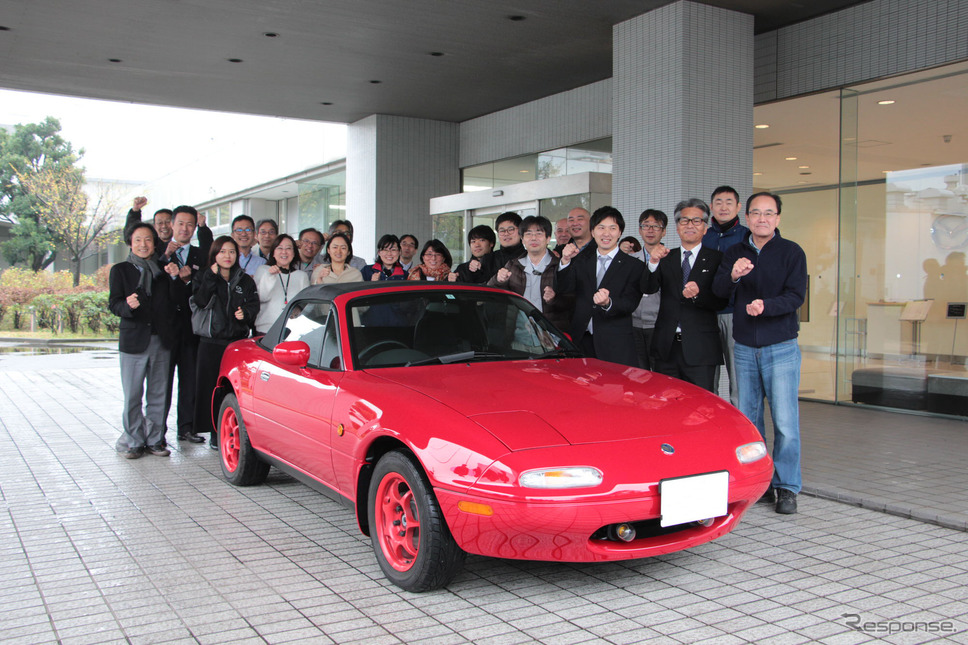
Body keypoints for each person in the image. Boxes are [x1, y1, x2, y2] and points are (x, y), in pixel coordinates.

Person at [713, 192, 807, 515]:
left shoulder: (792, 252)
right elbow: (718, 292)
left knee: (784, 421)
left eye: (769, 213)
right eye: (756, 213)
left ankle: (787, 486)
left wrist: (767, 307)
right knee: (749, 421)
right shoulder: (735, 251)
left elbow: (796, 296)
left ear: (778, 218)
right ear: (748, 217)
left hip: (780, 346)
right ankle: (759, 484)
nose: (762, 218)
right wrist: (733, 275)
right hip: (743, 347)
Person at [109, 222, 183, 459]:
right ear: (131, 242)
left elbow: (178, 301)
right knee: (132, 394)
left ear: (155, 243)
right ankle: (133, 440)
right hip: (133, 341)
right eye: (138, 239)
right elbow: (114, 304)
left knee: (158, 393)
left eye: (148, 239)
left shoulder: (165, 269)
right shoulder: (120, 270)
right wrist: (127, 306)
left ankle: (155, 439)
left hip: (161, 340)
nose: (143, 244)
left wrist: (175, 279)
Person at [642, 199, 727, 392]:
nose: (690, 225)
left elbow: (722, 300)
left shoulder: (717, 259)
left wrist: (698, 295)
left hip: (701, 348)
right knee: (666, 404)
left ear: (705, 228)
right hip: (666, 347)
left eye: (696, 221)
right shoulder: (665, 257)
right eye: (684, 220)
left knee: (701, 407)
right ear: (677, 227)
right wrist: (653, 262)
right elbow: (647, 288)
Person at [191, 236, 260, 449]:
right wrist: (212, 276)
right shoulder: (204, 275)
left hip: (236, 343)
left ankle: (231, 431)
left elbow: (254, 304)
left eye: (231, 252)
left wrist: (246, 313)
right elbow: (201, 301)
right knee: (211, 389)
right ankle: (214, 433)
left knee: (232, 390)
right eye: (222, 252)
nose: (227, 256)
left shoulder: (244, 279)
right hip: (210, 343)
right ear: (214, 254)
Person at [557, 206, 643, 366]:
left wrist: (608, 303)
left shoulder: (633, 266)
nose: (606, 233)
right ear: (593, 231)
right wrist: (565, 262)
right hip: (581, 340)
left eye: (612, 228)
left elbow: (631, 302)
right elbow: (564, 290)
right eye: (601, 228)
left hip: (615, 343)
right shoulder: (581, 260)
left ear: (620, 233)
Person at [161, 205, 209, 444]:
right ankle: (157, 431)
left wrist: (188, 279)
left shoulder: (201, 255)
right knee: (162, 382)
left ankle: (186, 428)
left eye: (190, 224)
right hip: (166, 330)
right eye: (180, 223)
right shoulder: (159, 252)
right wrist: (165, 259)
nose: (185, 228)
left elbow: (204, 288)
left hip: (191, 329)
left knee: (190, 379)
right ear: (171, 225)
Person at [703, 185, 750, 406]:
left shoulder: (746, 237)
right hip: (706, 315)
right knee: (705, 379)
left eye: (729, 202)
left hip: (734, 314)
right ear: (711, 207)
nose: (723, 207)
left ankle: (740, 428)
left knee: (738, 378)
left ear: (738, 207)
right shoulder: (704, 234)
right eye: (718, 202)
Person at [489, 215, 570, 330]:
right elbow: (492, 292)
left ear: (548, 238)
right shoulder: (513, 265)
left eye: (539, 233)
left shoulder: (559, 266)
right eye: (528, 234)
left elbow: (572, 300)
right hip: (519, 333)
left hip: (552, 334)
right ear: (522, 239)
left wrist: (554, 299)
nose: (533, 238)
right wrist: (498, 280)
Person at [630, 209, 667, 370]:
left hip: (658, 325)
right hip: (633, 325)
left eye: (656, 226)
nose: (650, 230)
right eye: (646, 226)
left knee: (660, 373)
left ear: (664, 232)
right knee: (637, 374)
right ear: (639, 230)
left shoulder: (670, 259)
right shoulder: (631, 260)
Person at [254, 234, 309, 333]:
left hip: (293, 331)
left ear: (294, 253)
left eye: (288, 248)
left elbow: (306, 305)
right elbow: (261, 298)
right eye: (279, 248)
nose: (284, 252)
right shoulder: (263, 270)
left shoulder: (301, 276)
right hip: (266, 330)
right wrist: (270, 276)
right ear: (273, 253)